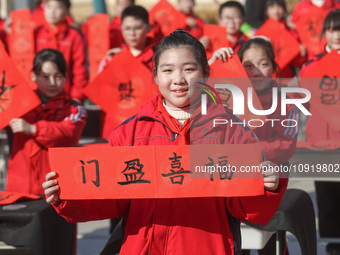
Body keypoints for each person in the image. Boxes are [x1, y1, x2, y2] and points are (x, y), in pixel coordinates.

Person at [43, 30, 288, 254]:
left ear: (205, 73)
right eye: (168, 70)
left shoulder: (232, 132)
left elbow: (244, 207)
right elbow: (112, 201)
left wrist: (267, 186)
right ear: (156, 76)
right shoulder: (129, 133)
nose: (178, 79)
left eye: (189, 69)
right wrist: (67, 196)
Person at [209, 37, 298, 255]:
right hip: (234, 178)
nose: (256, 71)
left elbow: (285, 146)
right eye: (248, 65)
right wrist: (212, 64)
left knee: (270, 242)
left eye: (264, 63)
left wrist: (246, 154)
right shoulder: (227, 96)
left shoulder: (286, 99)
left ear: (274, 66)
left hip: (271, 178)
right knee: (236, 239)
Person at [6, 49, 87, 195]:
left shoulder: (75, 109)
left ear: (66, 77)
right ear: (33, 76)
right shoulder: (18, 103)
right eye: (45, 76)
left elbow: (69, 135)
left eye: (58, 76)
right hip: (19, 187)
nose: (52, 82)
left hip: (57, 189)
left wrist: (34, 129)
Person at [297, 10, 340, 255]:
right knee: (327, 196)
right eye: (333, 29)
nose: (337, 35)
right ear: (325, 33)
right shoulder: (311, 65)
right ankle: (333, 245)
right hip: (323, 140)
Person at [98, 5, 156, 139]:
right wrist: (112, 67)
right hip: (116, 124)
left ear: (148, 28)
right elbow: (101, 92)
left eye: (137, 28)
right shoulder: (112, 57)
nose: (132, 33)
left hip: (147, 124)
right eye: (127, 28)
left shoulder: (158, 57)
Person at [35, 0, 88, 103]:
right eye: (49, 7)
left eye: (58, 7)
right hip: (39, 97)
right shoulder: (37, 33)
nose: (52, 11)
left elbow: (80, 69)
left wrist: (76, 97)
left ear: (67, 11)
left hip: (66, 97)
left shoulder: (74, 35)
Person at [264, 0, 307, 78]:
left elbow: (297, 61)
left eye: (279, 7)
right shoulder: (262, 32)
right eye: (272, 7)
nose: (276, 11)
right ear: (266, 11)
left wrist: (301, 53)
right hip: (267, 76)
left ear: (284, 9)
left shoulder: (291, 30)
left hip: (287, 75)